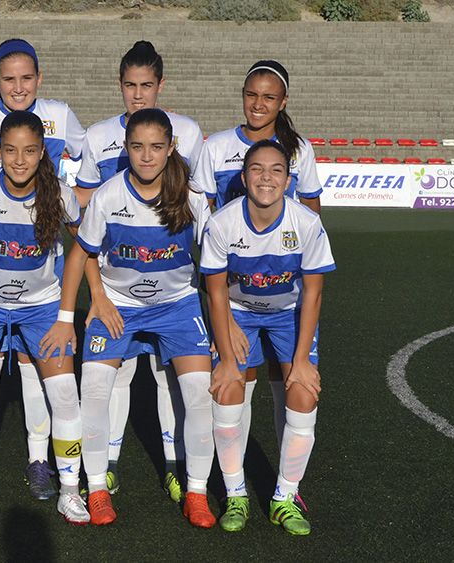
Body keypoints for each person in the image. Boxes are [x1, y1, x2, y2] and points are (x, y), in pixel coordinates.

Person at [58, 109, 214, 527]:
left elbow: (218, 266)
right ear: (126, 148)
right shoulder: (109, 195)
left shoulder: (192, 198)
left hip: (178, 306)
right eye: (138, 147)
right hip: (118, 307)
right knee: (92, 391)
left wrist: (224, 325)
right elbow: (81, 255)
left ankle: (196, 493)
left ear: (171, 149)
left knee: (200, 394)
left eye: (157, 147)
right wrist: (82, 307)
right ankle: (97, 489)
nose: (147, 156)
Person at [0, 38, 85, 500]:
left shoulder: (61, 194)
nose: (19, 159)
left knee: (61, 394)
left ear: (43, 150)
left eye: (29, 151)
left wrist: (77, 312)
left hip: (42, 304)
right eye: (10, 151)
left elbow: (84, 246)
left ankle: (61, 481)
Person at [74, 40, 205, 503]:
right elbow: (87, 202)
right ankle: (104, 469)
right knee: (117, 375)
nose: (138, 95)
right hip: (117, 279)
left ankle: (178, 468)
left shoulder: (189, 132)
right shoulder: (97, 136)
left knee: (174, 378)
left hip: (173, 287)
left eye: (146, 85)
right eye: (130, 86)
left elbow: (200, 206)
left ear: (160, 86)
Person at [194, 60, 322, 510]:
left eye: (269, 97)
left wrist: (288, 252)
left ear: (282, 102)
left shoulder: (299, 149)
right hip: (232, 289)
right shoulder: (218, 147)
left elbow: (310, 211)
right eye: (252, 94)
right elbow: (203, 209)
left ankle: (287, 488)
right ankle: (236, 491)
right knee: (234, 378)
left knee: (289, 380)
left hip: (282, 290)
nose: (258, 104)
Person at [200, 139, 334, 535]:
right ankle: (236, 493)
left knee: (303, 392)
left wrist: (304, 360)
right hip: (238, 313)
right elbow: (217, 291)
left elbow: (313, 291)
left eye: (276, 170)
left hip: (287, 315)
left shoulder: (306, 223)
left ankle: (284, 498)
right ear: (244, 177)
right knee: (226, 388)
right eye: (257, 169)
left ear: (288, 179)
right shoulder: (221, 223)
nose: (266, 178)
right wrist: (226, 355)